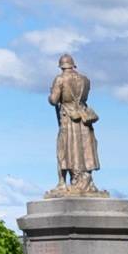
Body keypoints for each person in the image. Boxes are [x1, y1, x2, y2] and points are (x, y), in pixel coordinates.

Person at [48, 54, 101, 193]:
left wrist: (50, 94)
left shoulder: (60, 79)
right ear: (73, 65)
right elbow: (84, 97)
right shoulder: (85, 80)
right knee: (84, 149)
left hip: (68, 118)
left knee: (64, 149)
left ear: (61, 66)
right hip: (83, 117)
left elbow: (54, 100)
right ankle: (85, 179)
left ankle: (63, 183)